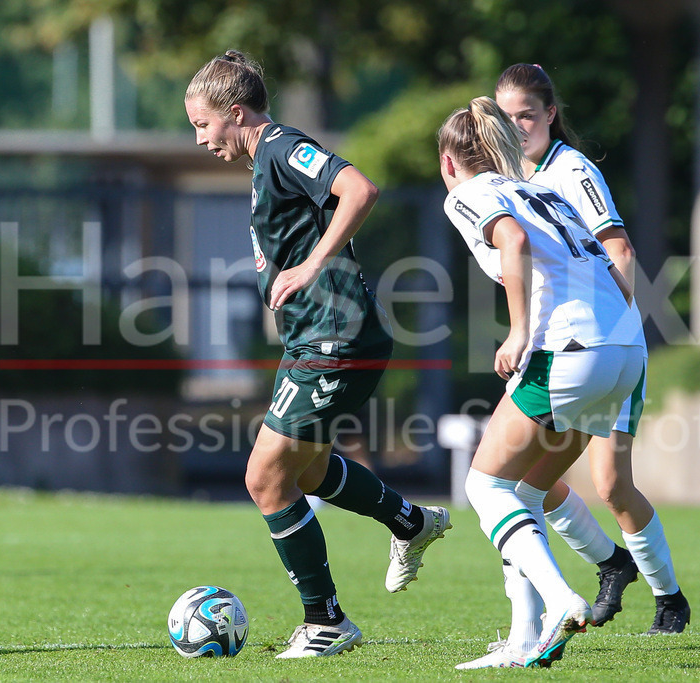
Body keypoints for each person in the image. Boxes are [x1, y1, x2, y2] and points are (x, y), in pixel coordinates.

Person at [184, 51, 451, 659]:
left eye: (203, 125)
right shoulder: (263, 165)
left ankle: (325, 621)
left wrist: (310, 264)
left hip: (336, 339)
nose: (200, 140)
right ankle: (409, 521)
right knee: (302, 473)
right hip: (316, 341)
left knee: (263, 477)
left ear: (235, 112)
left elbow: (360, 188)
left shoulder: (280, 147)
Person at [439, 96, 646, 668]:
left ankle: (561, 600)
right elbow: (603, 262)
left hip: (570, 350)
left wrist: (519, 332)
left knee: (484, 488)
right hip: (623, 349)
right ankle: (524, 637)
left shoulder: (469, 193)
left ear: (449, 161)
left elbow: (515, 243)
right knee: (526, 492)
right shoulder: (540, 189)